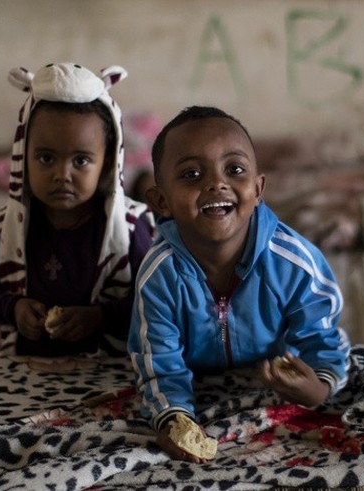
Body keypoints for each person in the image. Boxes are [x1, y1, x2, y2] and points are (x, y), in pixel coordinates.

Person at [127, 106, 350, 462]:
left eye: (235, 169)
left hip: (273, 377)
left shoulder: (292, 262)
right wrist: (173, 416)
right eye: (191, 173)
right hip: (197, 378)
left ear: (258, 188)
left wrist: (319, 387)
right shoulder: (159, 274)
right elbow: (158, 362)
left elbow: (322, 336)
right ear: (160, 201)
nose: (216, 183)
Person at [0, 63, 154, 357]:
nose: (62, 174)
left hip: (108, 377)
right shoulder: (7, 230)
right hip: (29, 372)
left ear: (106, 164)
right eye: (45, 158)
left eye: (80, 161)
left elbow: (155, 301)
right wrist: (13, 308)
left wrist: (100, 317)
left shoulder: (127, 230)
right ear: (22, 158)